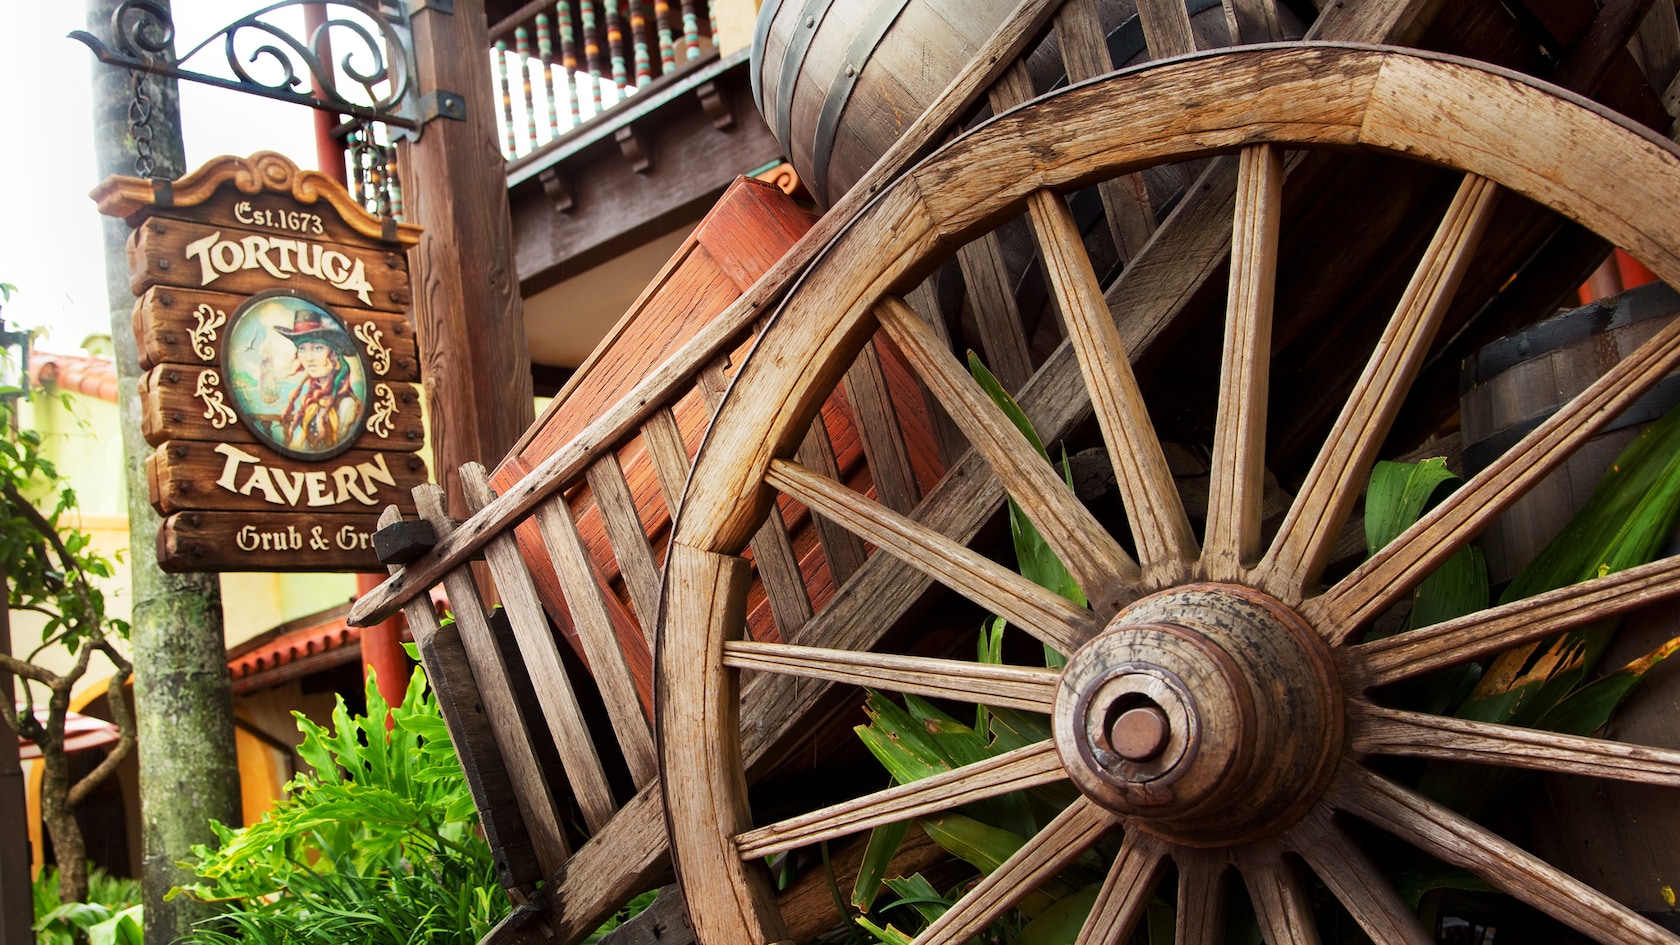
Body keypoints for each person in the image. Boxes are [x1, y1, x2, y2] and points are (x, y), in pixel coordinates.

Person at [274, 309, 362, 455]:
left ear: (335, 355)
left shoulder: (347, 406)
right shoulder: (311, 400)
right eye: (302, 349)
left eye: (317, 348)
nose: (308, 358)